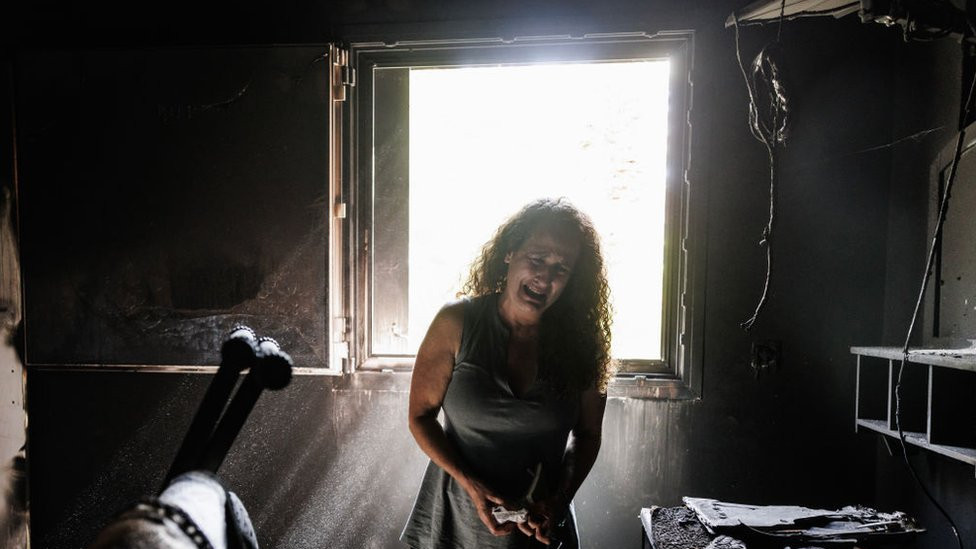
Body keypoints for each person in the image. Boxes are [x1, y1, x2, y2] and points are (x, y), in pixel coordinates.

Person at [401, 198, 614, 549]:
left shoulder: (583, 345)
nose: (545, 277)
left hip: (537, 531)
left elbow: (588, 434)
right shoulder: (455, 322)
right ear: (509, 253)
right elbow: (419, 417)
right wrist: (470, 483)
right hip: (454, 523)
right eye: (537, 259)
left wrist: (558, 501)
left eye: (562, 268)